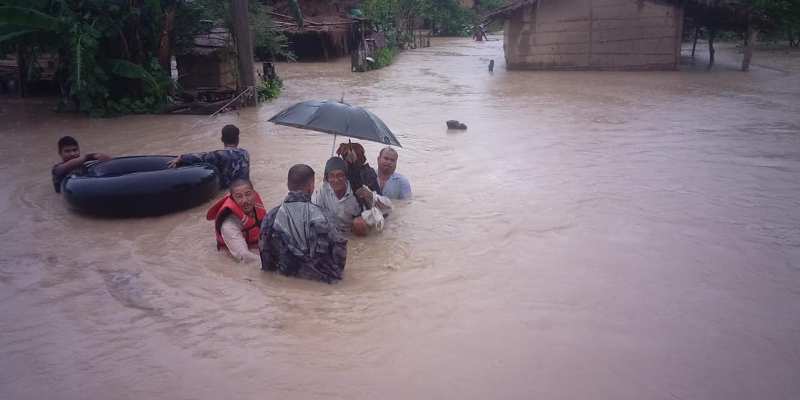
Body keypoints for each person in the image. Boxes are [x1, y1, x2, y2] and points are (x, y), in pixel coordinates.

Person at [259, 164, 347, 283]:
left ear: (288, 185)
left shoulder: (271, 216)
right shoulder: (326, 216)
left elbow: (265, 256)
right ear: (311, 186)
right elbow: (339, 253)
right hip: (320, 285)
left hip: (283, 282)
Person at [312, 156, 392, 237]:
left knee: (359, 224)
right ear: (327, 178)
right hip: (334, 227)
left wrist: (369, 194)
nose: (336, 180)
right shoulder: (323, 189)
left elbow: (388, 206)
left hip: (354, 227)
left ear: (346, 177)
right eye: (331, 176)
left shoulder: (357, 189)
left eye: (340, 175)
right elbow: (314, 211)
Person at [169, 124, 249, 189]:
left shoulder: (219, 155)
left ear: (222, 139)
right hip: (244, 186)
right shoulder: (245, 153)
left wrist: (182, 157)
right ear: (238, 139)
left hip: (229, 189)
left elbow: (201, 157)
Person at [206, 179, 265, 264]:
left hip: (255, 248)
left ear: (254, 194)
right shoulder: (228, 225)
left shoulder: (256, 207)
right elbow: (244, 256)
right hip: (233, 259)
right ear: (233, 199)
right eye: (239, 196)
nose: (245, 200)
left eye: (248, 194)